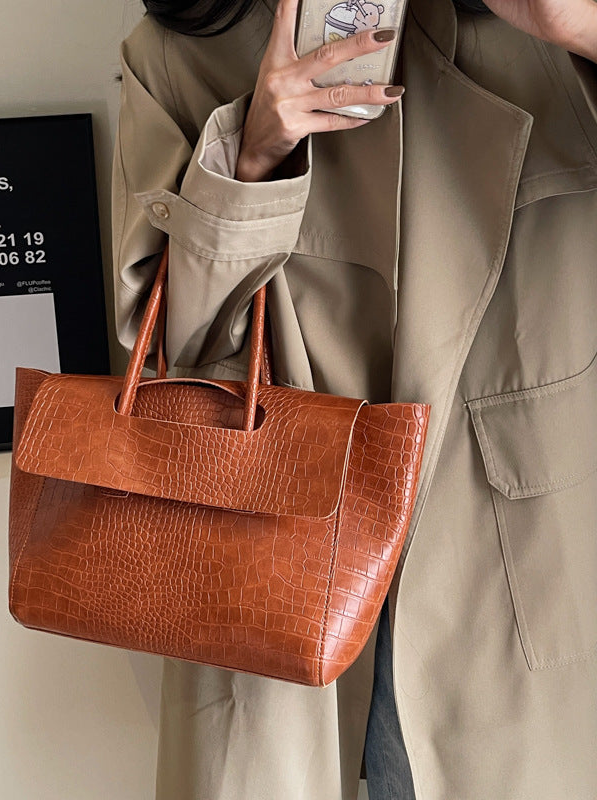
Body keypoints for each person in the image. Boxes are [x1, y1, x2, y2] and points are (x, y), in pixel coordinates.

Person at [110, 0, 597, 797]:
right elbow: (170, 360)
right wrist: (250, 156)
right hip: (283, 573)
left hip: (525, 572)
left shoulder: (535, 25)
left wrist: (581, 29)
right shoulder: (183, 51)